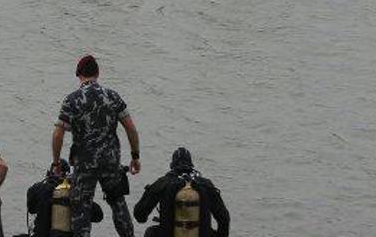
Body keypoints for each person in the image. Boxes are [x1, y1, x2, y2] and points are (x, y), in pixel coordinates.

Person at [51, 55, 141, 237]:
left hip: (84, 163)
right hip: (111, 161)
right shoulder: (112, 96)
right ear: (98, 73)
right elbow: (131, 128)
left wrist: (56, 162)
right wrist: (135, 156)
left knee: (81, 207)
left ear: (79, 75)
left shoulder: (72, 100)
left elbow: (58, 133)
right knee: (117, 201)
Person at [134, 148, 229, 237]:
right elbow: (224, 218)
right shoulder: (206, 184)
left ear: (172, 165)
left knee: (151, 232)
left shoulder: (163, 182)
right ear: (191, 165)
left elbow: (139, 215)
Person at [22, 159, 104, 237]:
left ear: (49, 173)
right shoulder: (75, 193)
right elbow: (98, 216)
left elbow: (31, 209)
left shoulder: (38, 188)